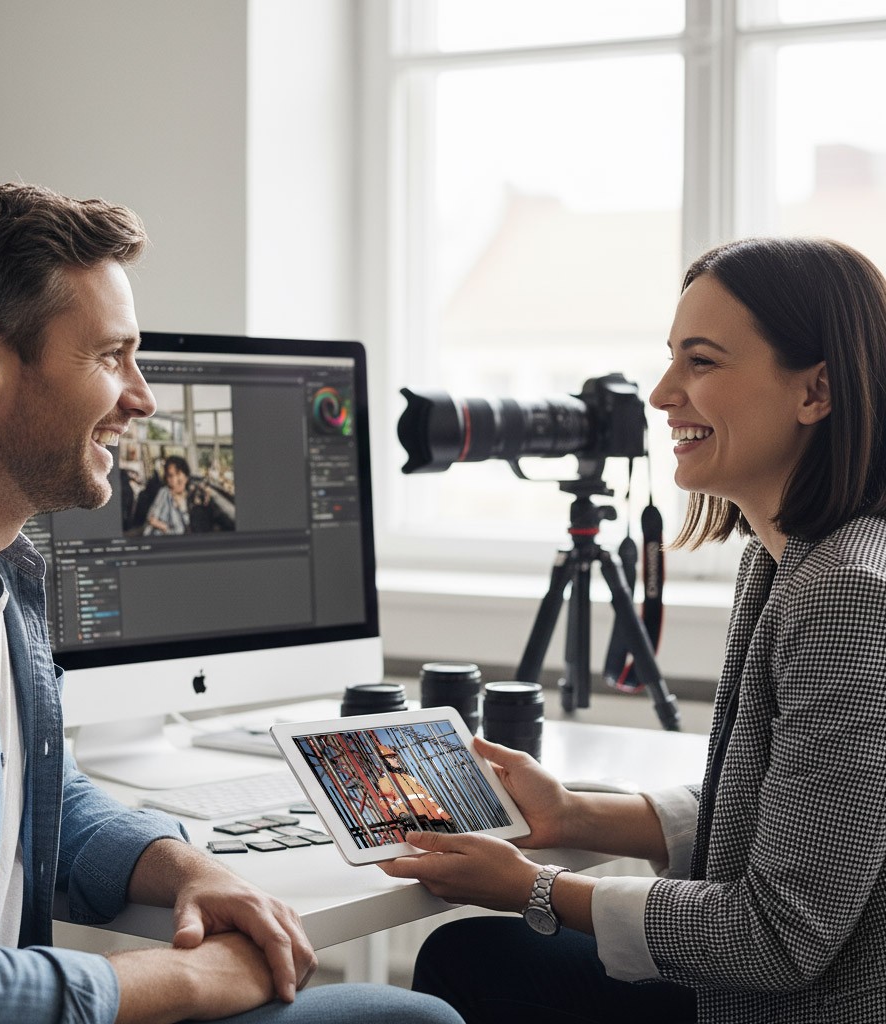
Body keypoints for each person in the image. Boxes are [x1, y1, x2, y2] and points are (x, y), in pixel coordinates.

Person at [0, 183, 463, 1024]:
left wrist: (189, 868)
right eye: (111, 357)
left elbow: (45, 794)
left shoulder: (0, 570)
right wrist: (193, 980)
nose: (142, 396)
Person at [380, 236, 886, 1023]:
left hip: (809, 1004)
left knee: (468, 957)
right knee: (470, 957)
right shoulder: (787, 554)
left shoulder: (848, 597)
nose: (660, 393)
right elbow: (776, 808)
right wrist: (576, 816)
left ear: (815, 390)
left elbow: (781, 936)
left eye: (702, 362)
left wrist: (534, 889)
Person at [144, 454, 198, 535]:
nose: (174, 480)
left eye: (178, 474)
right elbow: (152, 519)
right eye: (170, 476)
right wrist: (166, 528)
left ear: (186, 477)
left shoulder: (191, 499)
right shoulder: (165, 493)